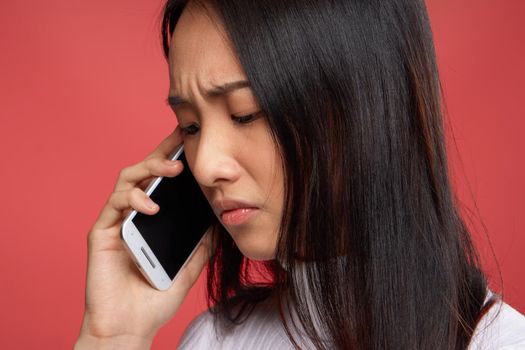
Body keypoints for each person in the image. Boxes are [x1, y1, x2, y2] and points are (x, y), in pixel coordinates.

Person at [75, 0, 525, 349]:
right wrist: (110, 338)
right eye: (190, 126)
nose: (206, 166)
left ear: (361, 110)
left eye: (246, 113)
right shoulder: (216, 340)